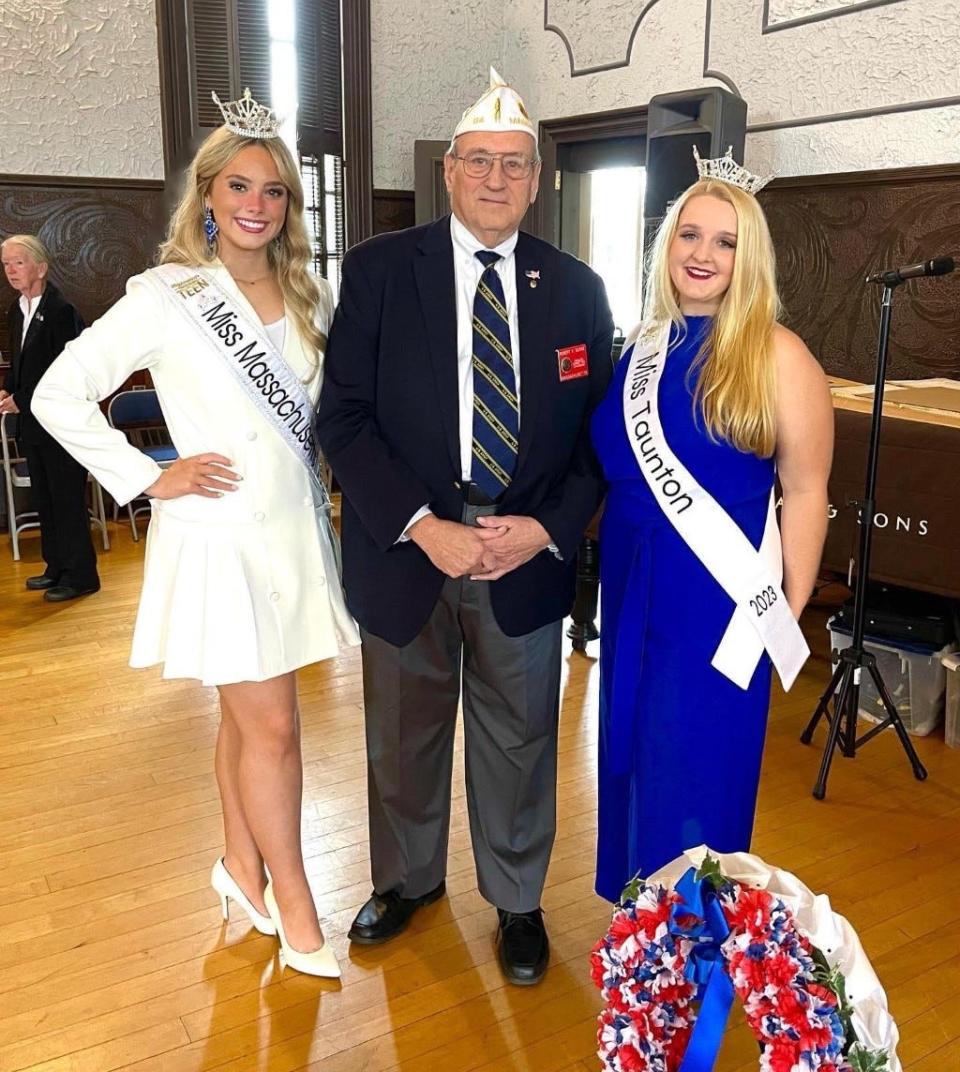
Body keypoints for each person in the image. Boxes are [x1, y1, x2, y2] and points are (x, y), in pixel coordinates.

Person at [33, 89, 359, 978]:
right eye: (238, 187)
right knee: (277, 731)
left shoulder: (311, 294)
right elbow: (55, 393)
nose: (256, 206)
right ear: (207, 196)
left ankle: (240, 869)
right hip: (218, 539)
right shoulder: (166, 296)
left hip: (293, 537)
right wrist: (150, 476)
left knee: (244, 721)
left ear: (289, 205)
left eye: (274, 192)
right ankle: (295, 901)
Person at [316, 68, 613, 984]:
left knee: (521, 734)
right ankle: (407, 882)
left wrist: (544, 530)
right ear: (448, 172)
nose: (495, 179)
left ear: (535, 181)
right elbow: (344, 421)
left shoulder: (576, 290)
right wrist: (421, 524)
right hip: (409, 550)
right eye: (479, 161)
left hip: (519, 557)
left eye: (513, 166)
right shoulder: (374, 271)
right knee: (403, 733)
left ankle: (517, 901)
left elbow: (599, 445)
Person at [591, 148, 833, 903]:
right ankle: (645, 934)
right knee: (631, 754)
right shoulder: (642, 349)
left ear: (748, 257)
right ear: (668, 245)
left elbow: (805, 488)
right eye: (689, 235)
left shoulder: (777, 353)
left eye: (725, 242)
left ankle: (692, 947)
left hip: (717, 610)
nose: (702, 254)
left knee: (694, 769)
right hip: (632, 591)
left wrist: (785, 610)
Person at [1, 235, 100, 601]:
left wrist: (21, 399)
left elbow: (64, 371)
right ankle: (56, 566)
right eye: (6, 264)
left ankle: (81, 575)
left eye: (19, 262)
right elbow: (20, 361)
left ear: (41, 267)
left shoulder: (62, 312)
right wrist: (8, 388)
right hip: (33, 425)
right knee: (45, 498)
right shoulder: (16, 310)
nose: (11, 270)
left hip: (61, 425)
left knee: (67, 499)